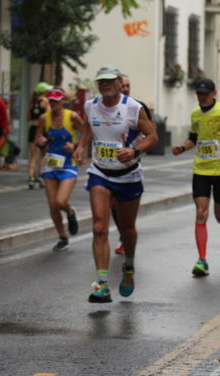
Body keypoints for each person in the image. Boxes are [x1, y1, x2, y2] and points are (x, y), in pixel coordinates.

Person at [74, 65, 158, 303]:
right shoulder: (91, 106)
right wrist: (81, 146)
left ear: (120, 83)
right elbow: (88, 126)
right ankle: (102, 284)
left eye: (110, 81)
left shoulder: (133, 108)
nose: (105, 85)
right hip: (100, 173)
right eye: (101, 81)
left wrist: (134, 150)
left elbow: (152, 136)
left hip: (128, 176)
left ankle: (129, 267)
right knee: (99, 227)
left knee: (127, 230)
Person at [172, 78, 220, 277]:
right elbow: (194, 138)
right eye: (199, 94)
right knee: (201, 213)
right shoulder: (195, 114)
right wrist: (182, 147)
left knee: (218, 216)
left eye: (205, 94)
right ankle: (202, 260)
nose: (202, 97)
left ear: (214, 93)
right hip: (201, 169)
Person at [111, 74, 154, 255]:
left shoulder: (138, 107)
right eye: (123, 85)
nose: (126, 89)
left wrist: (139, 147)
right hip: (108, 165)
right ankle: (123, 235)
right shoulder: (108, 107)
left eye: (128, 85)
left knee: (125, 206)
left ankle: (126, 235)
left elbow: (152, 132)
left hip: (131, 165)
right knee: (113, 205)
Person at [34, 89, 82, 251]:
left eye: (57, 101)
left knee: (61, 201)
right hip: (51, 164)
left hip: (69, 164)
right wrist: (40, 141)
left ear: (62, 101)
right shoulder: (43, 119)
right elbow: (38, 138)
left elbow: (87, 135)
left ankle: (70, 212)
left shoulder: (72, 117)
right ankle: (62, 237)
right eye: (51, 101)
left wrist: (75, 146)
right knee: (53, 205)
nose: (54, 104)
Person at [27, 82, 52, 189]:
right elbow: (48, 117)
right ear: (45, 92)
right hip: (42, 130)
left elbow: (27, 117)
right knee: (45, 154)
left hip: (32, 129)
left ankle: (31, 178)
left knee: (33, 156)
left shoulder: (32, 102)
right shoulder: (46, 102)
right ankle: (41, 174)